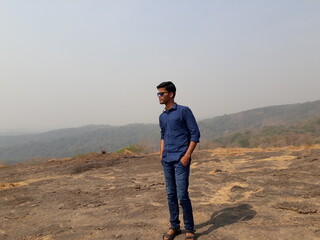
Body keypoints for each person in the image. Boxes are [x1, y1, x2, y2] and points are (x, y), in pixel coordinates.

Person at [157, 81, 200, 240]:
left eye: (161, 94)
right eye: (158, 94)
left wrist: (187, 155)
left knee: (182, 195)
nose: (159, 97)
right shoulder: (162, 116)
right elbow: (163, 135)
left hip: (181, 159)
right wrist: (161, 153)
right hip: (167, 160)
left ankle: (189, 228)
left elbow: (195, 134)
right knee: (170, 194)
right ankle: (174, 226)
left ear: (171, 94)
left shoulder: (183, 111)